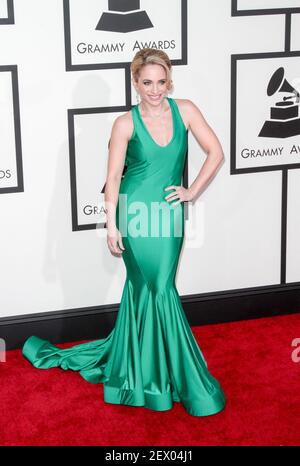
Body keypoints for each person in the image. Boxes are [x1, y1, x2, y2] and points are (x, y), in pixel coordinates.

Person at [22, 48, 226, 417]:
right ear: (135, 83)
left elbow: (216, 152)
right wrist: (112, 224)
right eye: (147, 82)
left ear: (169, 81)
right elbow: (113, 177)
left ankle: (151, 372)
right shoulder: (124, 123)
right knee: (151, 288)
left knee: (158, 286)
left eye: (161, 82)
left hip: (167, 214)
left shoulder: (187, 110)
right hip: (134, 213)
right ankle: (159, 379)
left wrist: (191, 191)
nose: (155, 90)